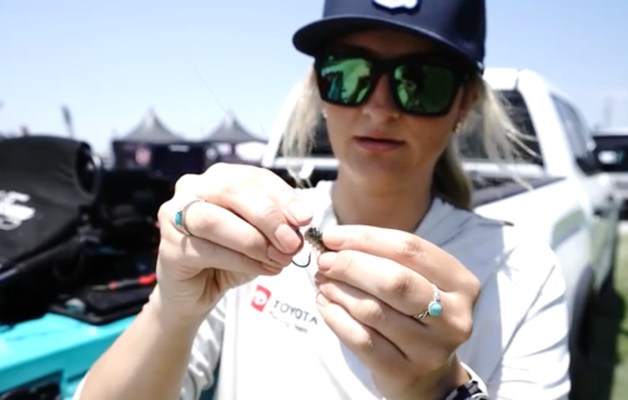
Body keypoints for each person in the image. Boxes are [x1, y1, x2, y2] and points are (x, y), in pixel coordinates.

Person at [76, 0, 571, 399]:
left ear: (464, 103)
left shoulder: (524, 271)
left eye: (421, 82)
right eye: (349, 73)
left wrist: (440, 389)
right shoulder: (249, 231)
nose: (379, 107)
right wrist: (171, 307)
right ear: (318, 88)